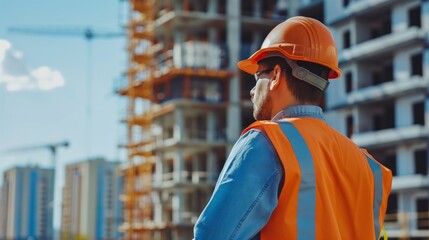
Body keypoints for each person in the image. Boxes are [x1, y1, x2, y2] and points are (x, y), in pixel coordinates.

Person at [193, 16, 392, 239]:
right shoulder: (369, 168)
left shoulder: (268, 142)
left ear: (276, 75)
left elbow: (211, 235)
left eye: (258, 76)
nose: (251, 91)